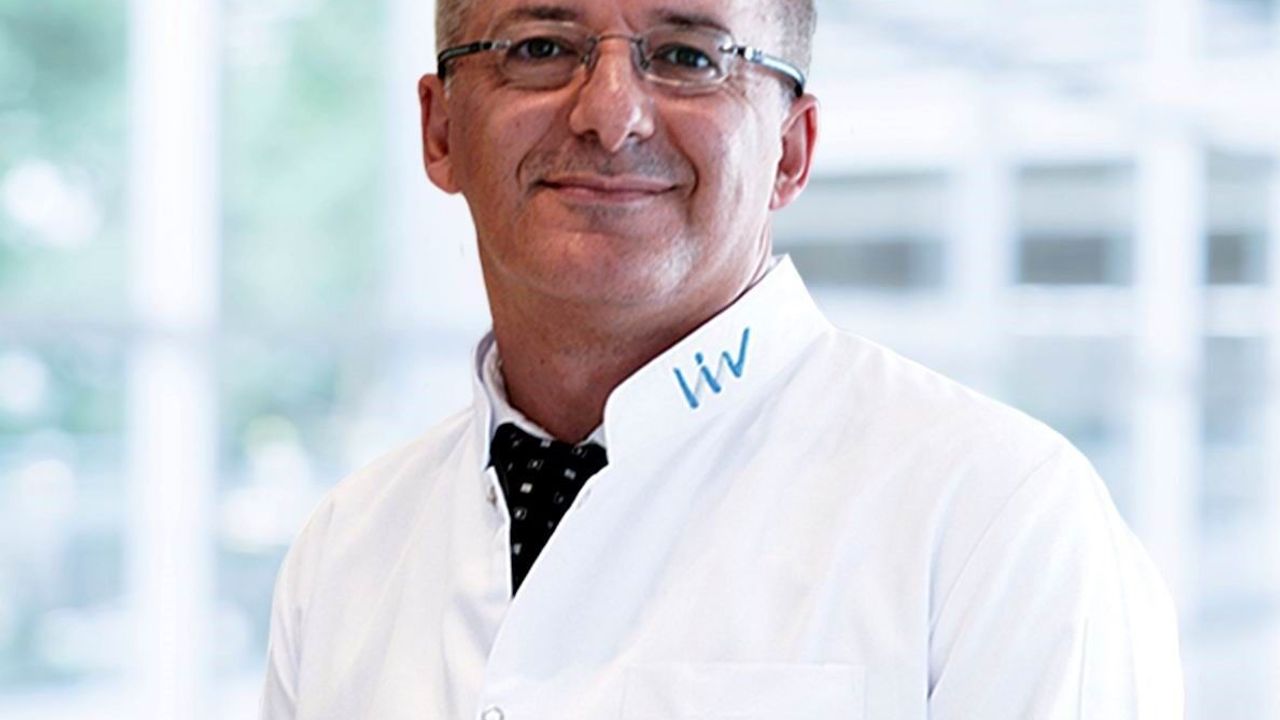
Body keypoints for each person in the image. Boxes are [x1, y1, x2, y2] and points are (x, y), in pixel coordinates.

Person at [259, 0, 1184, 717]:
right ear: (440, 131)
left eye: (688, 57)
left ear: (790, 150)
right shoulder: (347, 551)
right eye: (540, 47)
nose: (609, 113)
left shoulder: (1000, 520)